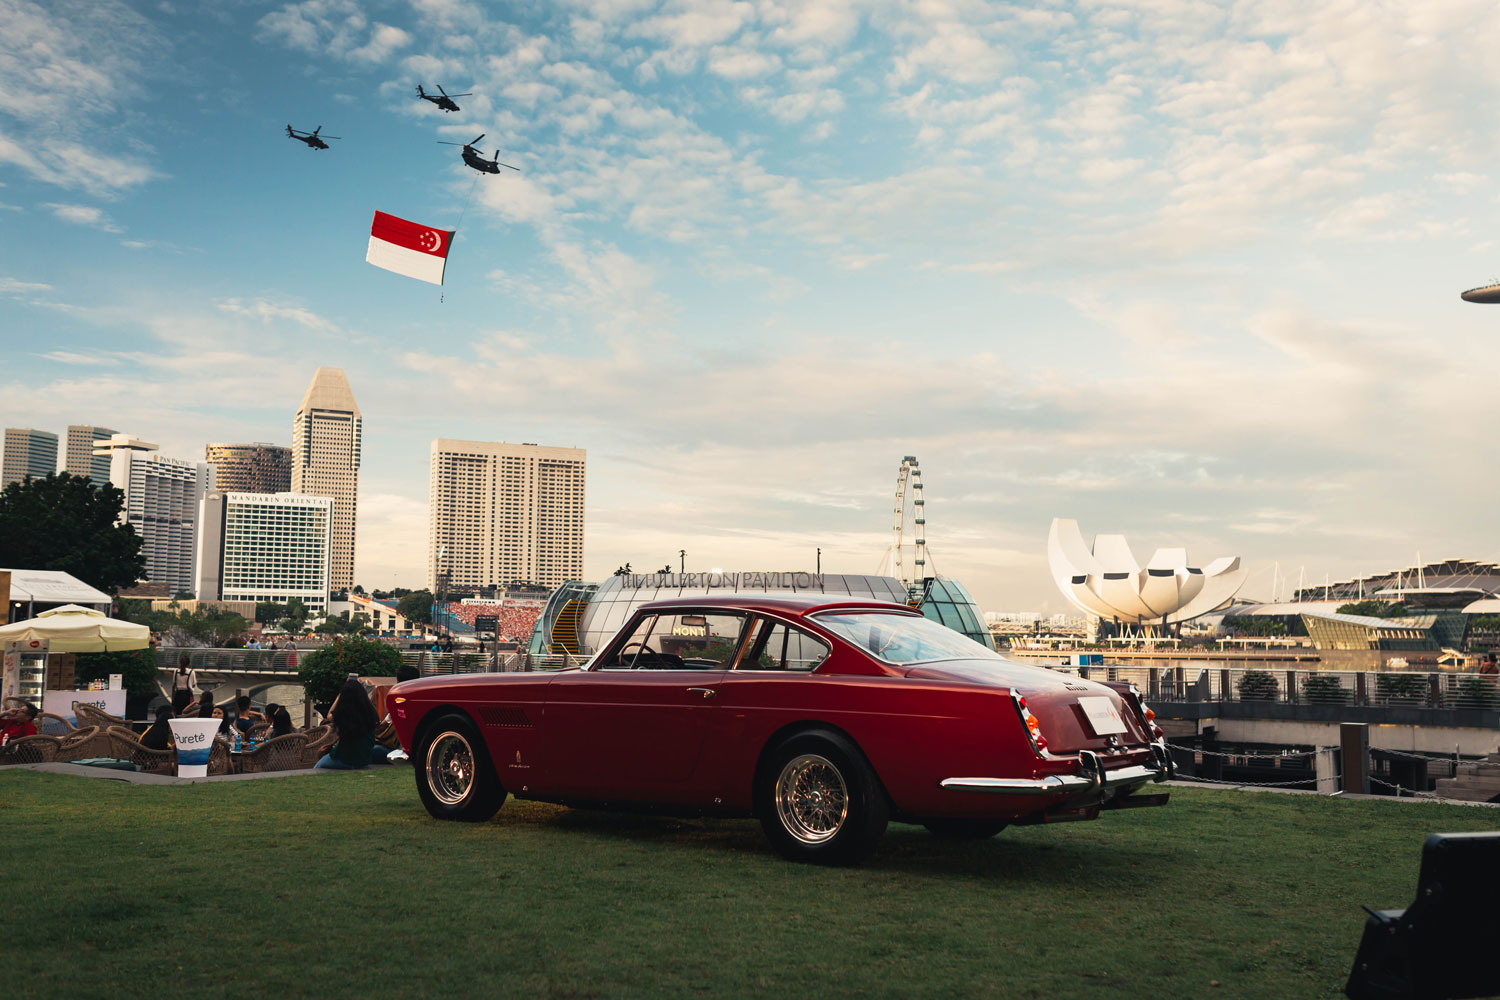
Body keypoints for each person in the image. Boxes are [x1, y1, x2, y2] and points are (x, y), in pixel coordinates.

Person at [315, 677, 379, 769]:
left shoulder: (343, 716)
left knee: (318, 766)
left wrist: (340, 695)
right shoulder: (371, 714)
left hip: (344, 759)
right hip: (364, 760)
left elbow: (329, 715)